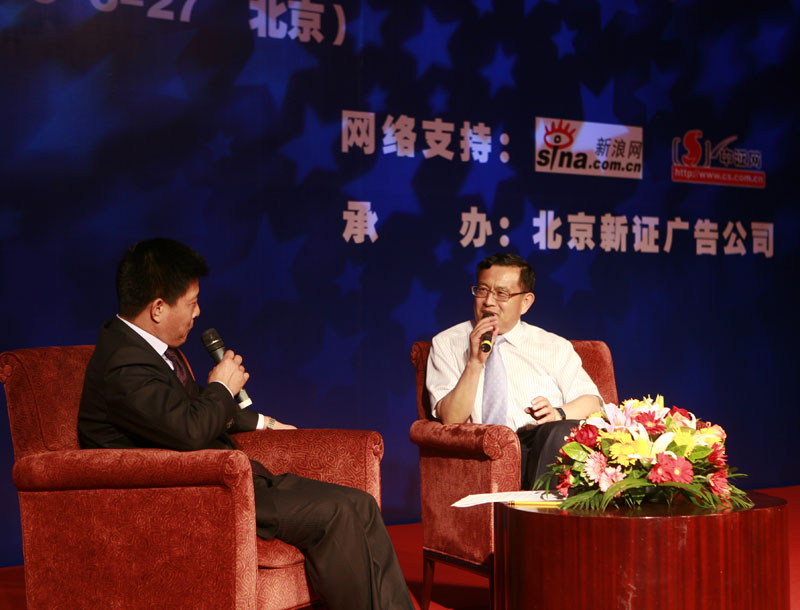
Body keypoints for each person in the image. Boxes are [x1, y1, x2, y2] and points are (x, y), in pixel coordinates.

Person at [78, 238, 415, 610]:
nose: (198, 312)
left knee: (360, 503)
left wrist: (263, 423)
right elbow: (189, 431)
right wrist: (222, 387)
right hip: (191, 496)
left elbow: (186, 408)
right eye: (191, 303)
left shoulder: (148, 351)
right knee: (338, 513)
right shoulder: (124, 363)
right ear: (158, 308)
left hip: (226, 482)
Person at [426, 252, 603, 488]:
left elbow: (593, 403)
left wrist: (557, 413)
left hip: (541, 445)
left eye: (501, 293)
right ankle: (536, 510)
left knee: (561, 431)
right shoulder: (447, 343)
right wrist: (474, 363)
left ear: (526, 302)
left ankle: (538, 509)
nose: (489, 302)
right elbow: (451, 419)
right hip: (481, 452)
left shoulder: (553, 346)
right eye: (482, 290)